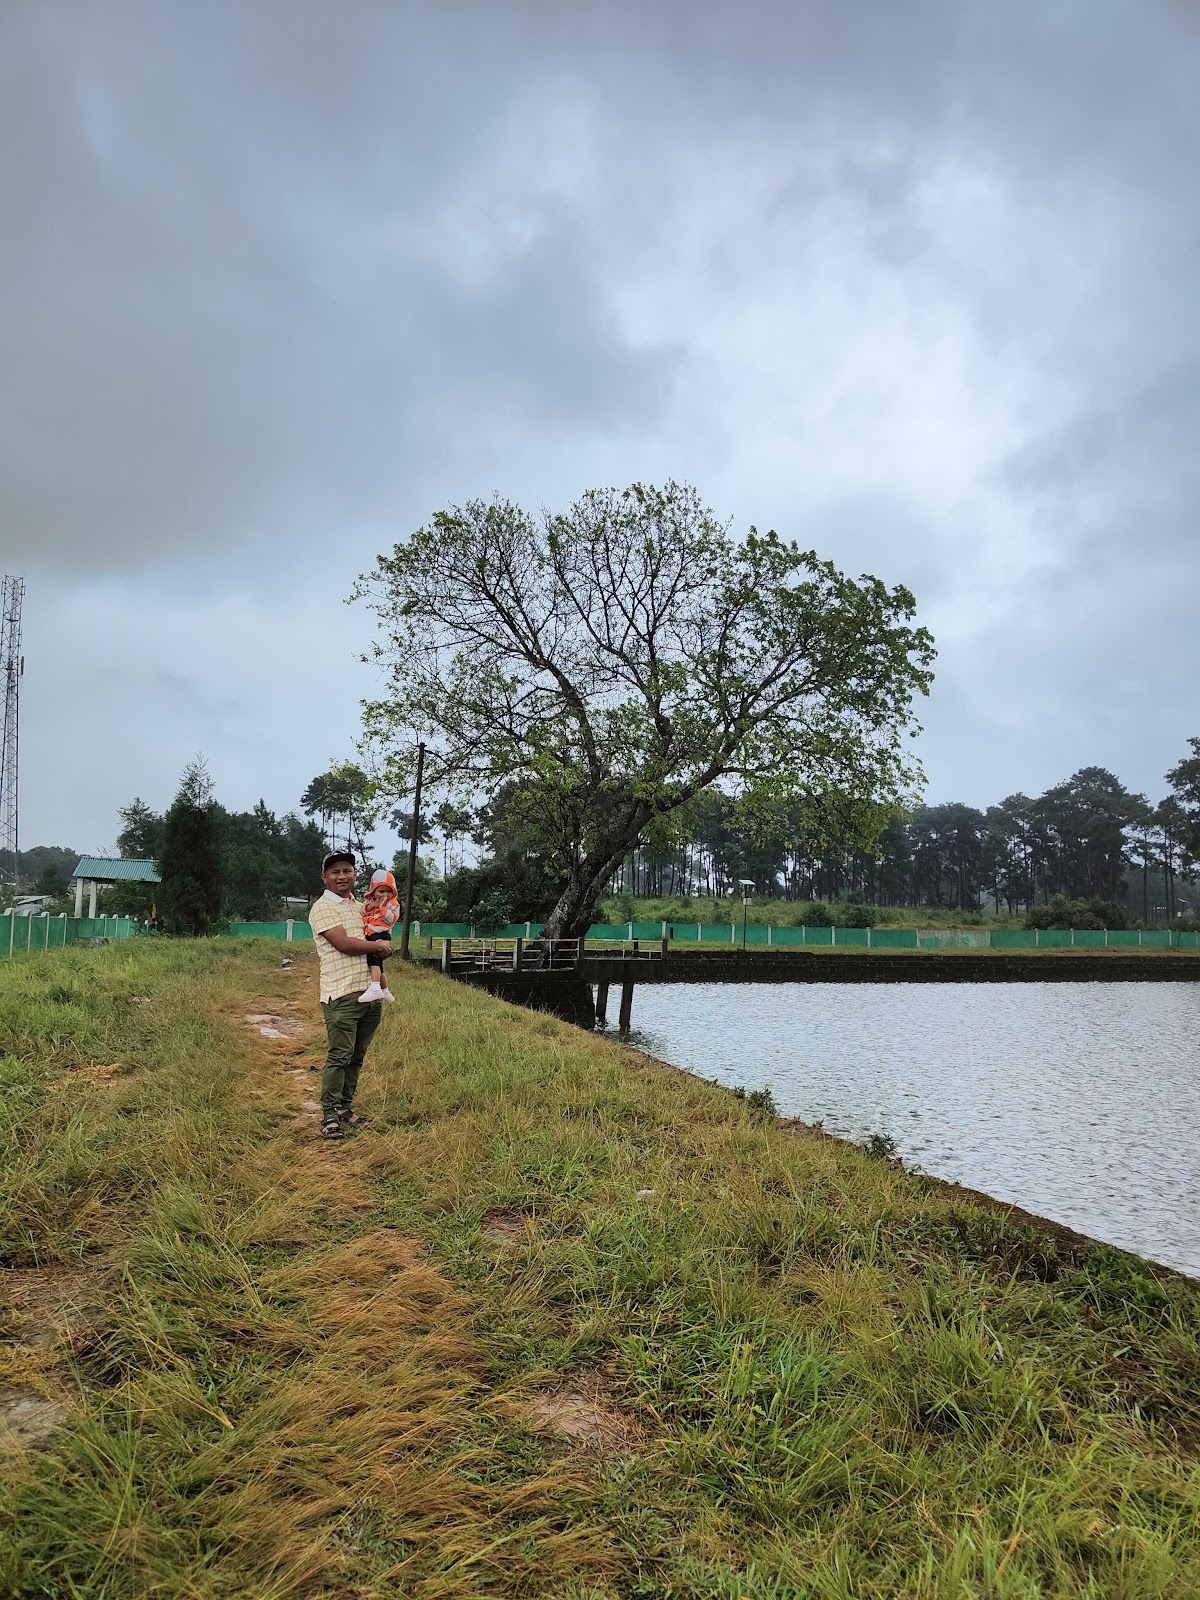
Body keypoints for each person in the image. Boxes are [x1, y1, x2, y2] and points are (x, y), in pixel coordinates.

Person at [307, 850, 394, 1140]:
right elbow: (343, 943)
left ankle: (345, 1107)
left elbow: (378, 931)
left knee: (357, 1056)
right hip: (342, 994)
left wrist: (382, 943)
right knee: (340, 1056)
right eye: (335, 872)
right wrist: (378, 948)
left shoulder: (360, 907)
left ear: (356, 874)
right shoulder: (322, 908)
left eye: (347, 870)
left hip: (370, 993)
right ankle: (329, 1114)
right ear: (325, 877)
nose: (342, 876)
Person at [360, 867, 400, 1003]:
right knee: (379, 966)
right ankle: (386, 992)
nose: (385, 895)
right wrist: (372, 905)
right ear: (374, 891)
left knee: (373, 961)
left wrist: (382, 908)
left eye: (389, 891)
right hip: (370, 934)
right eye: (381, 891)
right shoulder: (370, 901)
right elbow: (362, 911)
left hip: (381, 935)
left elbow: (392, 919)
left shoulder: (392, 904)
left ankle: (375, 987)